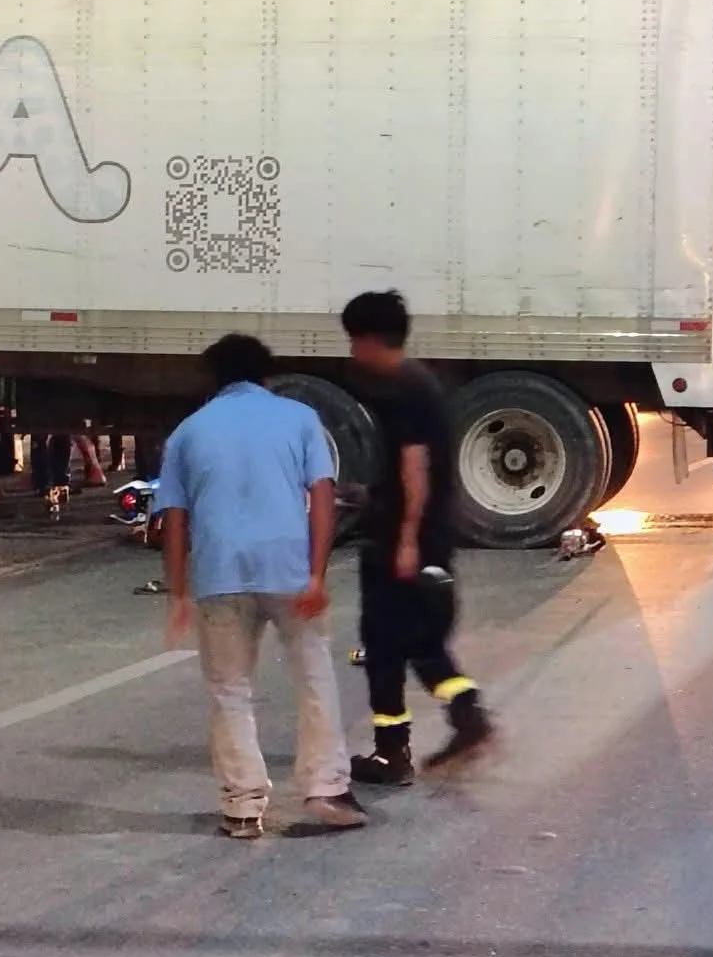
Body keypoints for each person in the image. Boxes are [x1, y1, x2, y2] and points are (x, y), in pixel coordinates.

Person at [156, 334, 365, 840]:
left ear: (213, 378)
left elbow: (175, 519)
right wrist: (317, 573)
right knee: (313, 672)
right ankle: (326, 787)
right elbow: (322, 495)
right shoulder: (298, 418)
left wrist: (179, 592)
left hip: (219, 574)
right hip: (289, 568)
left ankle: (243, 806)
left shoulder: (188, 431)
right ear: (266, 374)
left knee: (230, 690)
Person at [341, 290, 495, 785]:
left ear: (368, 339)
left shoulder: (402, 389)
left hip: (400, 543)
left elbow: (415, 467)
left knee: (383, 647)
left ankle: (393, 755)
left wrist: (405, 538)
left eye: (354, 341)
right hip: (426, 538)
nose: (351, 353)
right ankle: (467, 714)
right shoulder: (420, 384)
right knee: (423, 643)